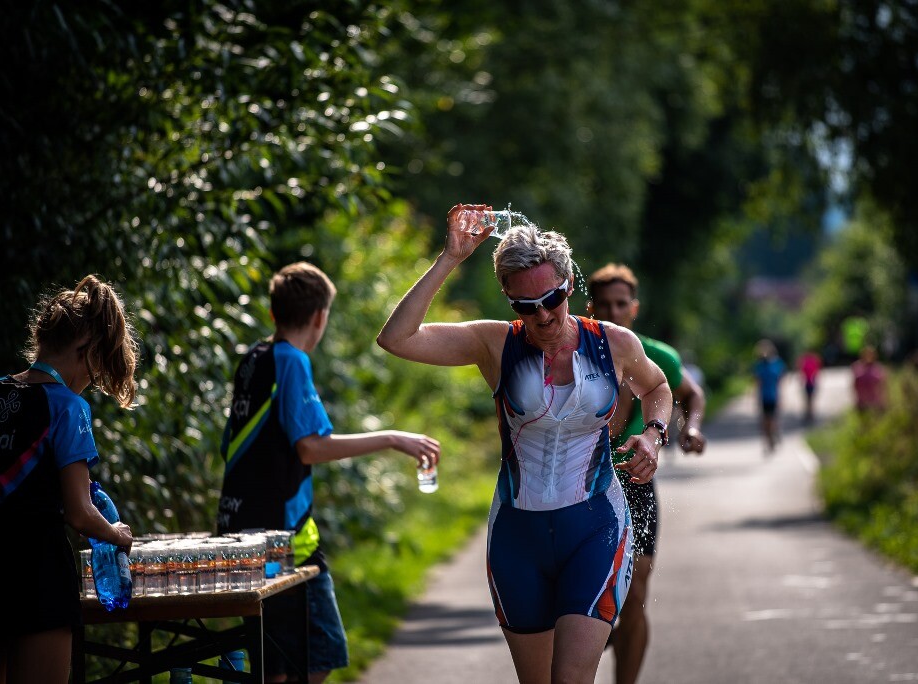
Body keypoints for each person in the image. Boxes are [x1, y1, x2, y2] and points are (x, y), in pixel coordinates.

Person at [376, 205, 673, 683]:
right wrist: (450, 258)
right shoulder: (494, 345)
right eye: (524, 306)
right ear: (508, 300)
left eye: (551, 299)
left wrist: (654, 436)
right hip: (518, 536)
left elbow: (657, 388)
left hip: (595, 524)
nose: (541, 316)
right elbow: (396, 338)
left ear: (569, 285)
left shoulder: (613, 343)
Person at [216, 261, 441, 684]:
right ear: (320, 317)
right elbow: (310, 447)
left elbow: (233, 440)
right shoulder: (292, 361)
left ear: (272, 313)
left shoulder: (252, 359)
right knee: (321, 650)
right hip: (284, 540)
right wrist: (393, 438)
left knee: (274, 661)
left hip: (237, 524)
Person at [0, 275, 139, 684]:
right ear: (85, 350)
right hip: (36, 577)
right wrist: (116, 534)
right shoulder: (67, 407)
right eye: (95, 369)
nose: (91, 381)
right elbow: (79, 513)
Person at [586, 263, 707, 684]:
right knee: (585, 602)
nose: (613, 312)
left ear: (634, 308)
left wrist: (689, 428)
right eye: (604, 305)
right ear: (590, 307)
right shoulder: (573, 350)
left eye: (621, 304)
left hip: (636, 485)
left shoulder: (658, 357)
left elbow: (691, 394)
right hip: (580, 487)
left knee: (635, 597)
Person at [752, 339, 786, 454]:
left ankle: (773, 437)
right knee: (764, 422)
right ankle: (768, 441)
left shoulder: (777, 364)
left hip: (773, 396)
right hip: (763, 397)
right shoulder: (759, 366)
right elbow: (757, 383)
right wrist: (755, 398)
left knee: (772, 420)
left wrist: (781, 397)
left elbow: (780, 382)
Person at [851, 345, 887, 413]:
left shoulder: (879, 368)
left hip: (876, 403)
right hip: (862, 403)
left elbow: (883, 386)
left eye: (870, 354)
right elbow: (854, 385)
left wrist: (884, 401)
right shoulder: (857, 367)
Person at [797, 349, 823, 424]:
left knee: (809, 399)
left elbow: (815, 371)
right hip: (809, 382)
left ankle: (809, 414)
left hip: (810, 382)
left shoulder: (808, 361)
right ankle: (809, 414)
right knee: (809, 399)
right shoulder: (810, 361)